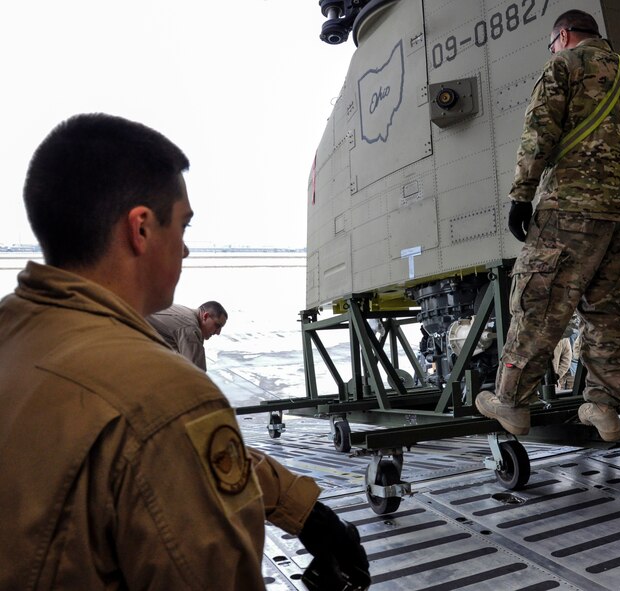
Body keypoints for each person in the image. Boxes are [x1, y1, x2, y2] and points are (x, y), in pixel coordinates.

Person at [0, 113, 369, 590]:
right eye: (183, 225)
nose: (187, 250)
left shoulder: (15, 335)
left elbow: (175, 449)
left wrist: (302, 509)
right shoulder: (167, 394)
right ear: (141, 229)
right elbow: (170, 424)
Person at [475, 9, 620, 442]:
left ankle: (512, 400)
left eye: (552, 43)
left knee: (540, 304)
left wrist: (522, 195)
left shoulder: (565, 65)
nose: (552, 49)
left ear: (564, 35)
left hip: (571, 209)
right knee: (606, 311)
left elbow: (539, 133)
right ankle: (605, 406)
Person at [147, 301, 228, 370]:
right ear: (205, 316)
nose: (218, 332)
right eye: (217, 326)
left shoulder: (184, 312)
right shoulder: (190, 328)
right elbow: (197, 374)